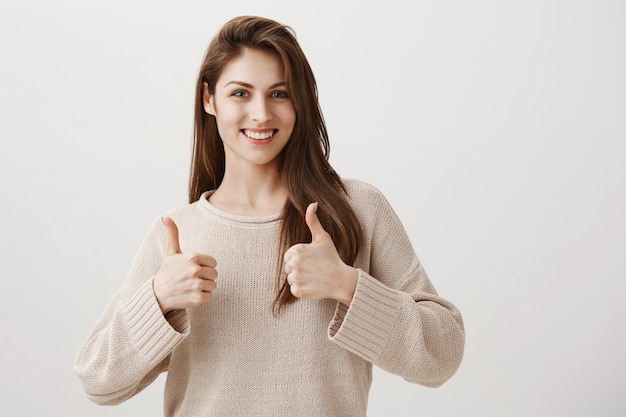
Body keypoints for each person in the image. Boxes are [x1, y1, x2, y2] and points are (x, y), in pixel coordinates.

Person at [74, 15, 465, 416]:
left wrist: (349, 285)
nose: (261, 114)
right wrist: (158, 300)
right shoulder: (178, 232)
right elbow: (98, 382)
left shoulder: (356, 209)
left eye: (279, 94)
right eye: (240, 93)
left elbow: (443, 356)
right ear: (209, 99)